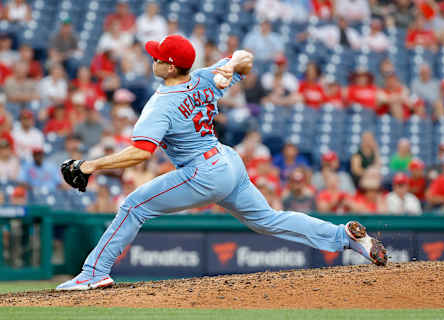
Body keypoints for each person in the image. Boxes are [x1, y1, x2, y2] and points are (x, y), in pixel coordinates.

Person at [56, 35, 387, 290]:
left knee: (133, 206)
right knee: (269, 220)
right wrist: (230, 67)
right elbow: (247, 57)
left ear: (170, 67)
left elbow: (141, 152)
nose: (152, 58)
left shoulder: (161, 105)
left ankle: (93, 274)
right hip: (228, 162)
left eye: (157, 56)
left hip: (204, 171)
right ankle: (346, 238)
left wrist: (89, 166)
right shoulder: (202, 78)